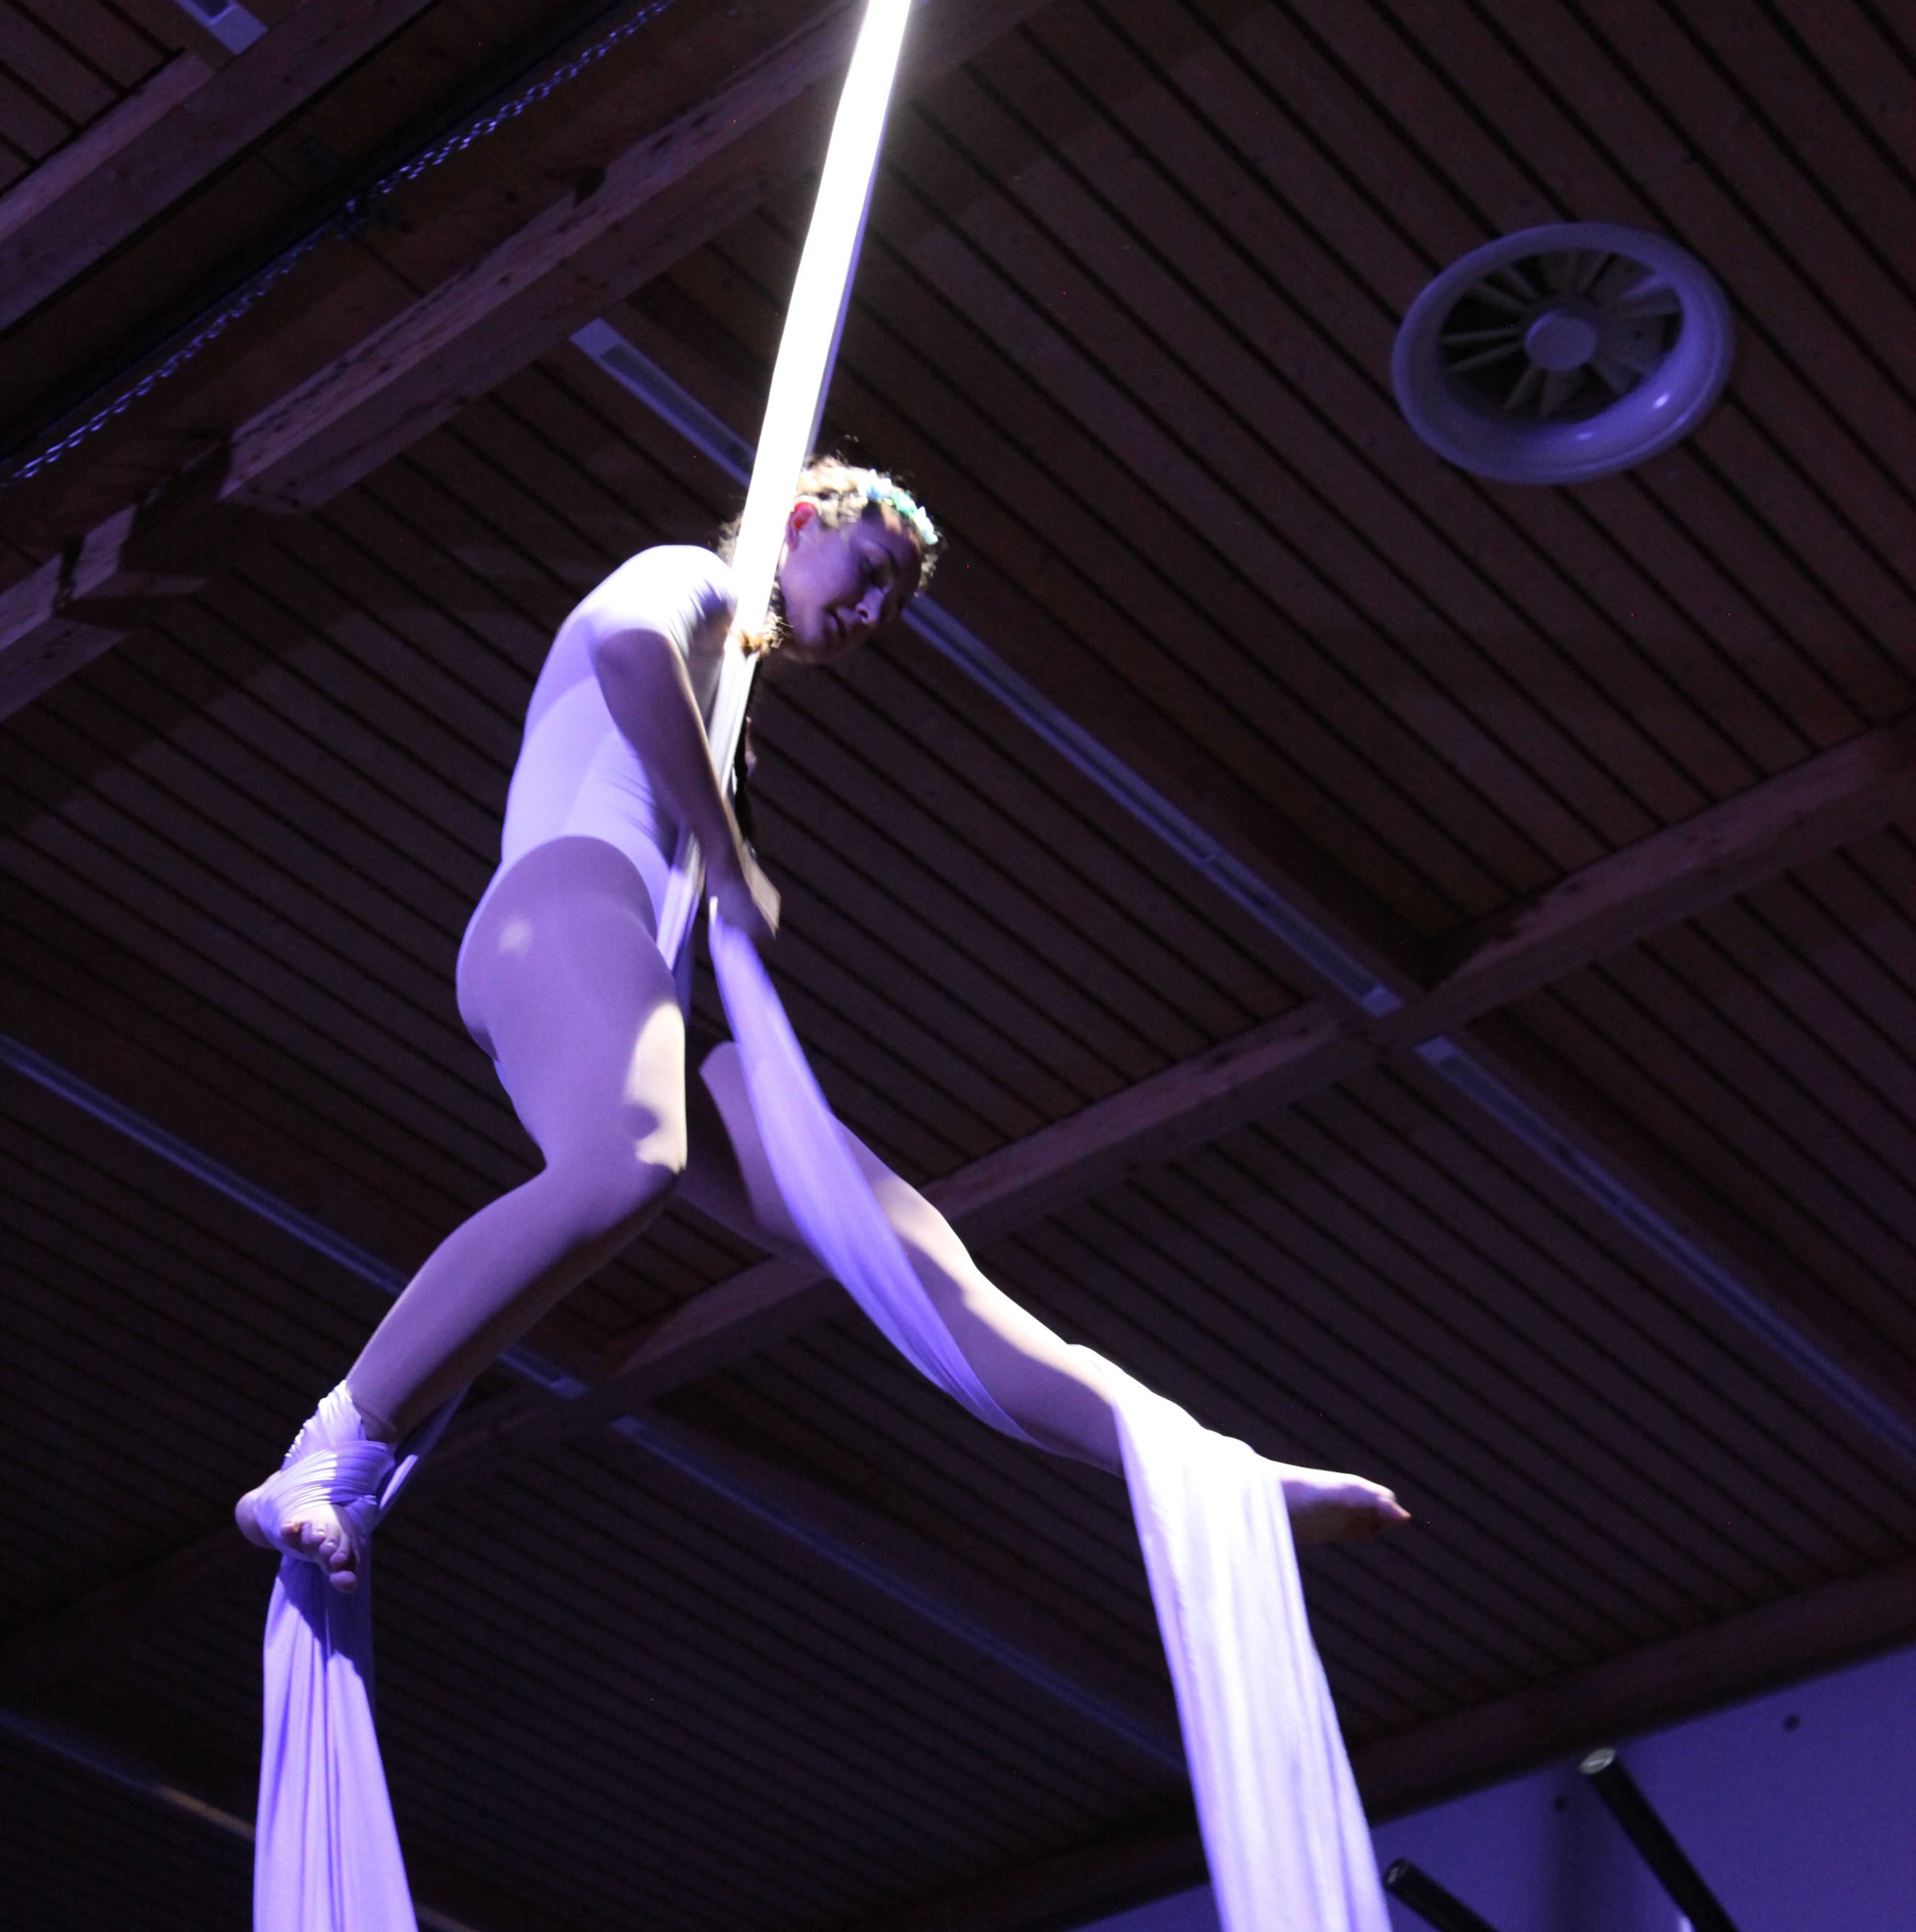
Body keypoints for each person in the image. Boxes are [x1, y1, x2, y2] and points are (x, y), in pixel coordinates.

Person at [238, 460, 1409, 1588]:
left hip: (640, 971)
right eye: (868, 571)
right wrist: (730, 857)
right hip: (561, 902)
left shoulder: (730, 718)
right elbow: (630, 654)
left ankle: (1208, 1476)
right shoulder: (693, 580)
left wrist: (724, 842)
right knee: (631, 1162)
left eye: (891, 606)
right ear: (798, 522)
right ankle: (338, 1441)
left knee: (916, 1263)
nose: (869, 613)